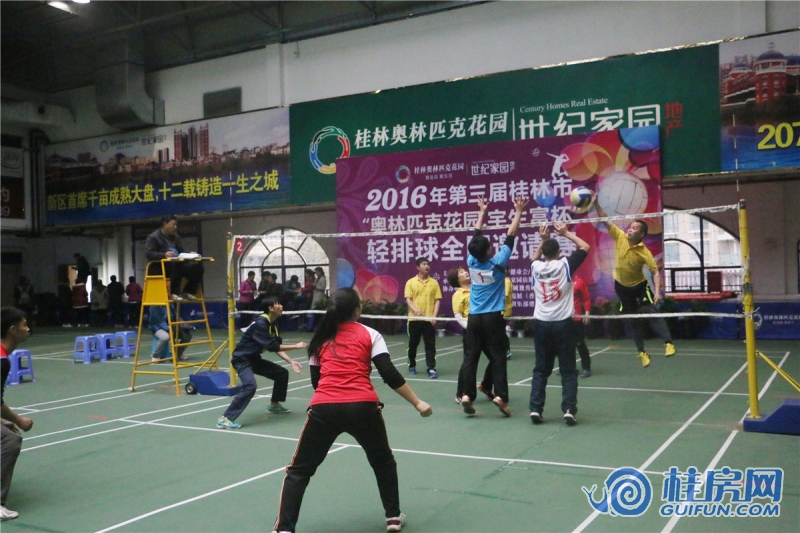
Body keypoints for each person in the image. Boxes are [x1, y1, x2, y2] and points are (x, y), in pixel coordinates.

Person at [272, 288, 432, 533]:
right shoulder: (371, 334)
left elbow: (316, 381)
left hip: (324, 409)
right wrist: (417, 403)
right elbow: (388, 373)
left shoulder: (319, 339)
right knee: (383, 462)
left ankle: (284, 529)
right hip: (363, 408)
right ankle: (392, 517)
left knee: (299, 471)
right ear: (357, 310)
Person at [458, 196, 527, 417]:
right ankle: (501, 397)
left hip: (474, 318)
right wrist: (518, 211)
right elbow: (511, 235)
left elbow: (475, 235)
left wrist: (482, 212)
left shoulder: (471, 261)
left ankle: (467, 395)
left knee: (471, 358)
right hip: (493, 318)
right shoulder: (498, 263)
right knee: (498, 357)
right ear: (489, 250)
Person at [595, 197, 676, 367]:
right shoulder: (620, 236)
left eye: (635, 228)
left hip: (639, 286)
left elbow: (655, 272)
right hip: (622, 287)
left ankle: (668, 343)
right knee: (633, 319)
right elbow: (604, 218)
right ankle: (642, 352)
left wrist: (657, 291)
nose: (630, 229)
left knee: (650, 312)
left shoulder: (644, 252)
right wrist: (596, 204)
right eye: (630, 227)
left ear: (641, 234)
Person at [528, 222, 590, 426]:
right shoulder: (565, 265)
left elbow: (534, 258)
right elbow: (585, 247)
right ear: (559, 252)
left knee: (541, 369)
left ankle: (536, 409)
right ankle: (569, 409)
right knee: (568, 370)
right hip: (563, 325)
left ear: (544, 252)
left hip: (542, 325)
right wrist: (566, 233)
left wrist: (543, 240)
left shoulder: (535, 267)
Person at [217, 297, 306, 430]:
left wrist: (291, 361)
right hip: (241, 359)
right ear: (271, 308)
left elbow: (276, 346)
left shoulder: (273, 324)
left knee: (281, 374)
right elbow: (272, 347)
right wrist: (296, 346)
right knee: (250, 386)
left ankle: (274, 405)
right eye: (278, 304)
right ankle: (225, 418)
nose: (282, 306)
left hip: (253, 359)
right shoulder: (261, 324)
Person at [1, 308, 34, 522]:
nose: (28, 328)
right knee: (10, 440)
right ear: (13, 330)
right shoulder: (1, 360)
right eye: (24, 324)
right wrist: (18, 420)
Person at [447, 266, 494, 404]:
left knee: (497, 358)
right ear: (456, 279)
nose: (465, 272)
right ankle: (461, 393)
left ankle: (486, 385)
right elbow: (458, 316)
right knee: (469, 363)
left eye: (464, 271)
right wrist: (471, 328)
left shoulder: (477, 288)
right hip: (471, 331)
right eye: (461, 272)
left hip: (486, 328)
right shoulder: (458, 295)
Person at [145, 215, 204, 301]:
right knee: (176, 265)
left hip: (177, 264)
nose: (175, 227)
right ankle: (173, 293)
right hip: (161, 267)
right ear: (165, 224)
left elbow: (181, 251)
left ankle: (187, 292)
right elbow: (149, 254)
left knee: (198, 268)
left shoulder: (175, 237)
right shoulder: (153, 237)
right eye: (173, 224)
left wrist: (190, 253)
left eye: (176, 225)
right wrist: (164, 255)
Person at [404, 257, 442, 378]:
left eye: (428, 264)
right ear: (418, 267)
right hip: (414, 319)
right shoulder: (410, 282)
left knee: (430, 345)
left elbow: (437, 300)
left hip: (428, 320)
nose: (427, 266)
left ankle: (431, 368)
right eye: (424, 264)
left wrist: (434, 316)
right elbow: (408, 299)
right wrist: (416, 310)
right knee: (413, 344)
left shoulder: (434, 283)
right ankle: (411, 364)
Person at [573, 275, 592, 378]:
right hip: (563, 318)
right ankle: (568, 367)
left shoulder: (579, 282)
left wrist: (587, 312)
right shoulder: (560, 280)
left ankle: (586, 368)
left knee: (580, 344)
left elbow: (586, 298)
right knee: (564, 345)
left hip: (576, 318)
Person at [504, 276, 514, 359]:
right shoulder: (500, 281)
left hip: (504, 310)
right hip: (499, 309)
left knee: (500, 332)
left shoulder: (506, 281)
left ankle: (507, 351)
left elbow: (505, 296)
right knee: (499, 332)